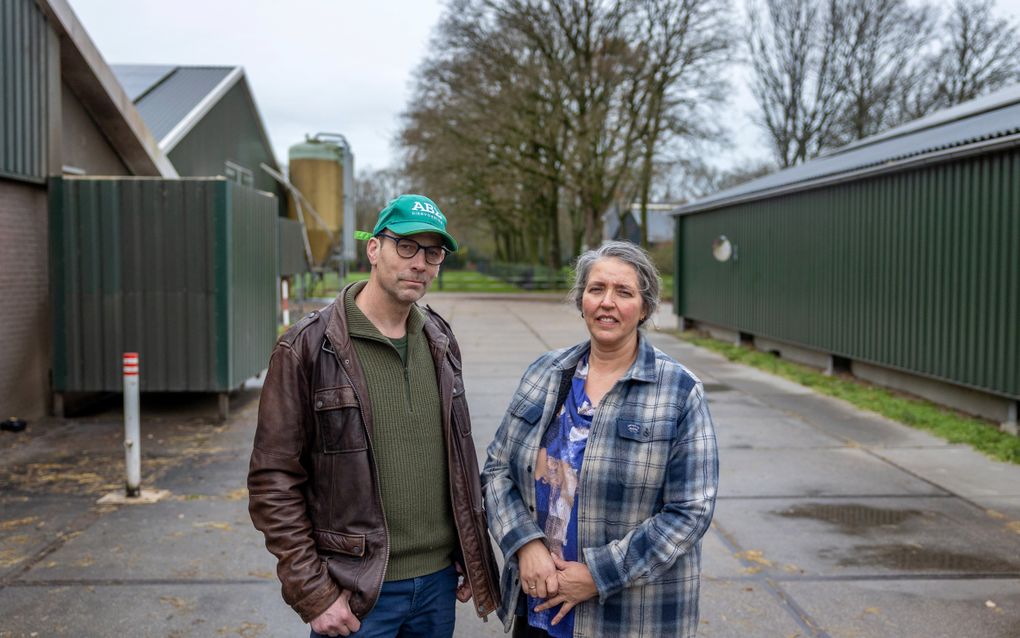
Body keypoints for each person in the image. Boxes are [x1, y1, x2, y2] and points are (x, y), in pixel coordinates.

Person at [248, 194, 499, 638]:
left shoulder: (439, 339)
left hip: (437, 585)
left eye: (433, 252)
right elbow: (273, 481)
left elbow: (458, 458)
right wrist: (313, 592)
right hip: (357, 592)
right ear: (374, 249)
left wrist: (467, 548)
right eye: (406, 246)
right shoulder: (307, 346)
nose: (419, 263)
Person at [482, 241, 719, 638]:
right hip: (538, 609)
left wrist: (598, 574)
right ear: (582, 301)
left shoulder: (679, 392)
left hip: (629, 620)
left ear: (645, 308)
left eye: (624, 292)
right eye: (596, 289)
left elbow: (690, 510)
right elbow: (496, 471)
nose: (607, 302)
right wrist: (525, 544)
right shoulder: (545, 373)